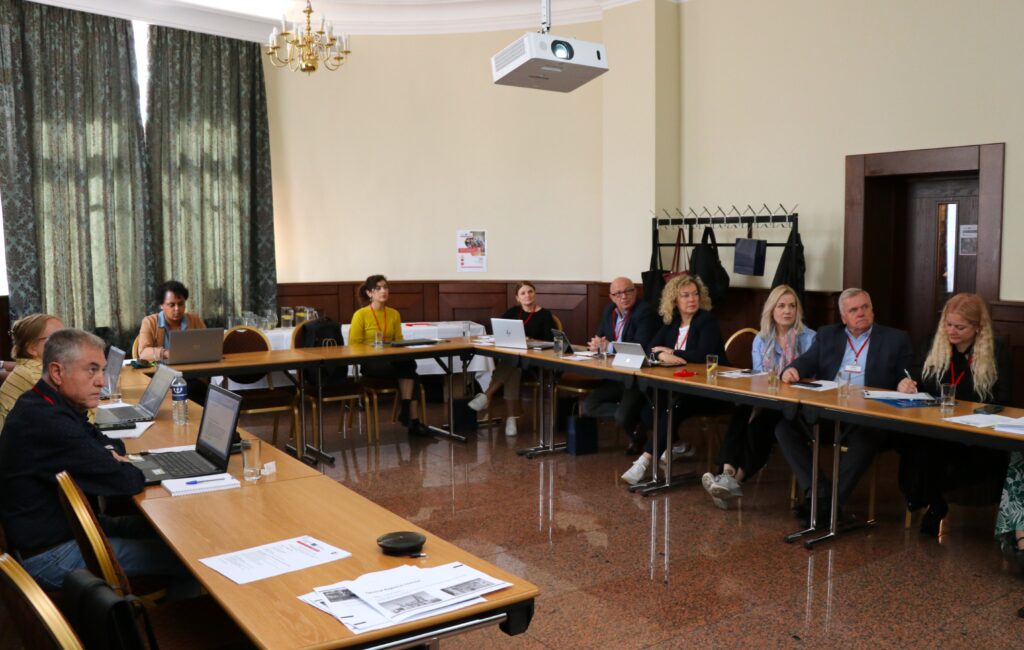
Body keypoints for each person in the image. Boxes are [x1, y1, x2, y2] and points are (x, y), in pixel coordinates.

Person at [0, 329, 194, 596]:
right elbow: (127, 481)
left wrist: (108, 454)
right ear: (57, 372)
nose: (101, 381)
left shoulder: (45, 402)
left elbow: (107, 442)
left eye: (102, 370)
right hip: (51, 555)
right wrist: (113, 460)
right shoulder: (47, 422)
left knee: (178, 534)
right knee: (188, 558)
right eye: (91, 370)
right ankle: (162, 621)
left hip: (69, 529)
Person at [775, 288, 912, 523]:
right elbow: (807, 360)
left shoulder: (895, 339)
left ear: (872, 310)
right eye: (854, 310)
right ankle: (818, 493)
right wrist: (792, 369)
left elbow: (908, 373)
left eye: (865, 307)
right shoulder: (828, 334)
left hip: (868, 416)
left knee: (867, 436)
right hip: (829, 412)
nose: (861, 313)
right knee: (784, 428)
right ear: (843, 317)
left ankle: (830, 505)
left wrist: (904, 382)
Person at [897, 293, 1011, 536]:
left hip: (973, 431)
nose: (951, 331)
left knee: (935, 455)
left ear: (977, 328)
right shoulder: (934, 342)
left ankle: (930, 499)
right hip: (935, 425)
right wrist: (905, 383)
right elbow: (915, 375)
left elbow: (1003, 398)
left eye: (960, 327)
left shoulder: (996, 350)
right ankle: (931, 500)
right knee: (914, 444)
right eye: (948, 324)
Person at [701, 285, 816, 508]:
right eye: (781, 306)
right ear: (771, 310)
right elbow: (759, 377)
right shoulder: (762, 339)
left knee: (762, 424)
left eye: (792, 306)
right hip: (767, 398)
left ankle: (731, 481)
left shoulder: (810, 338)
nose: (787, 311)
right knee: (741, 408)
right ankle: (727, 473)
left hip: (796, 404)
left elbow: (813, 378)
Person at [621, 273, 729, 486]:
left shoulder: (707, 321)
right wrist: (661, 355)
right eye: (685, 295)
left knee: (675, 406)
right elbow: (651, 349)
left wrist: (672, 351)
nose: (692, 299)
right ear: (674, 300)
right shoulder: (673, 323)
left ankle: (644, 461)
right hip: (682, 387)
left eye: (695, 294)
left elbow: (704, 355)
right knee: (651, 406)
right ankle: (674, 444)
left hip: (711, 390)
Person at [467, 281, 556, 437]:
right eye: (523, 293)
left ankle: (487, 395)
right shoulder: (513, 312)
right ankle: (510, 418)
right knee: (514, 365)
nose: (527, 295)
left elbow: (550, 341)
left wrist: (530, 341)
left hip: (534, 363)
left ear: (535, 294)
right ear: (517, 298)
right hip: (515, 360)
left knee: (512, 363)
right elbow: (498, 329)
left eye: (530, 291)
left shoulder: (545, 315)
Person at [583, 277, 659, 453]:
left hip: (637, 378)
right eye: (618, 293)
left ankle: (630, 422)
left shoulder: (645, 312)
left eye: (628, 291)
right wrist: (597, 344)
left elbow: (639, 347)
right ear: (611, 297)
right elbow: (601, 336)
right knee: (589, 406)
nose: (623, 296)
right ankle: (637, 421)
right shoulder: (609, 310)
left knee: (622, 416)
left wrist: (608, 346)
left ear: (635, 292)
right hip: (615, 375)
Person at [350, 275, 430, 437]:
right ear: (369, 293)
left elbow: (399, 340)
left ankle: (408, 414)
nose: (383, 291)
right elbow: (354, 345)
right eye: (378, 288)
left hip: (392, 361)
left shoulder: (393, 314)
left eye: (385, 287)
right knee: (411, 372)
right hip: (371, 363)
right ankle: (412, 420)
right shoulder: (361, 314)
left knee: (410, 368)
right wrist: (373, 348)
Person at [0, 313, 64, 432]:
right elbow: (70, 415)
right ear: (32, 349)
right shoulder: (34, 374)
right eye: (57, 338)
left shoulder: (33, 367)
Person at [137, 280, 206, 362]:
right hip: (161, 369)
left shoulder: (194, 320)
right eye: (171, 305)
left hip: (191, 367)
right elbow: (143, 353)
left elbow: (207, 345)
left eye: (180, 304)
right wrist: (166, 353)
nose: (177, 309)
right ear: (161, 305)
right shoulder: (150, 322)